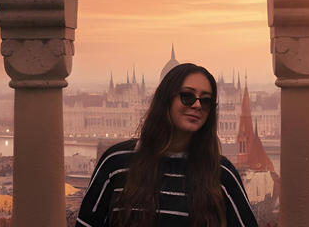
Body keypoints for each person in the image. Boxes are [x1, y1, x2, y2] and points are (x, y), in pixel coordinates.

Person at [76, 63, 259, 227]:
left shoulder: (221, 174)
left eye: (205, 100)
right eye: (187, 96)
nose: (197, 105)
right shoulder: (115, 163)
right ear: (165, 99)